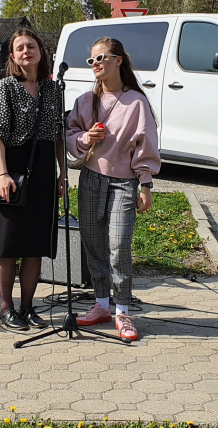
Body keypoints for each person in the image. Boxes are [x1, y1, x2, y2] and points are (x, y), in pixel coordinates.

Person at [65, 36, 160, 342]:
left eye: (101, 57)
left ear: (119, 60)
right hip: (91, 179)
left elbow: (145, 144)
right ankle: (102, 305)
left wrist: (145, 184)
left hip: (124, 183)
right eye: (91, 60)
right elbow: (69, 134)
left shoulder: (136, 102)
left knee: (119, 247)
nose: (96, 64)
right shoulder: (85, 101)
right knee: (93, 245)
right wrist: (85, 139)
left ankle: (123, 311)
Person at [0, 28, 65, 332]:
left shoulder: (52, 89)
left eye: (31, 46)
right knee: (8, 245)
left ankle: (28, 307)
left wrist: (62, 174)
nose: (26, 51)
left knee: (34, 244)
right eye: (20, 48)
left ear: (41, 51)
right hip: (13, 169)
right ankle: (6, 309)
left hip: (43, 170)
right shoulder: (5, 87)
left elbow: (58, 135)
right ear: (12, 56)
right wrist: (2, 174)